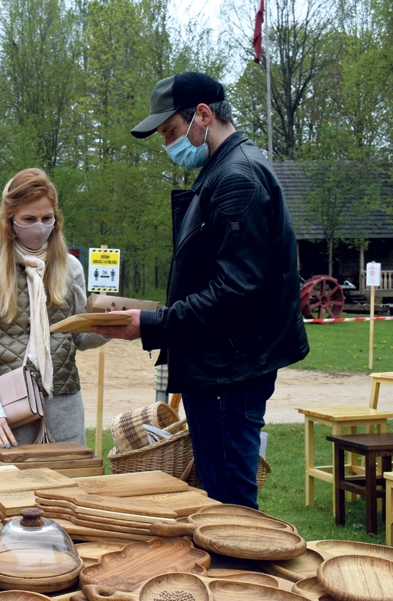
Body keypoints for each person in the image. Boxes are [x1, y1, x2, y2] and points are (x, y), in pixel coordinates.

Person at [90, 72, 309, 508]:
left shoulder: (237, 178)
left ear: (203, 116)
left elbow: (237, 289)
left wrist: (152, 324)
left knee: (230, 504)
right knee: (221, 494)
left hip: (230, 369)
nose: (167, 144)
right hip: (222, 363)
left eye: (171, 131)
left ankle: (241, 573)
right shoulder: (223, 169)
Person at [0, 168, 108, 464]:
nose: (39, 227)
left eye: (47, 218)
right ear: (10, 222)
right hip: (6, 416)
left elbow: (79, 336)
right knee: (6, 502)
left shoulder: (71, 267)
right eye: (29, 219)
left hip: (64, 412)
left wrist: (112, 325)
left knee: (64, 502)